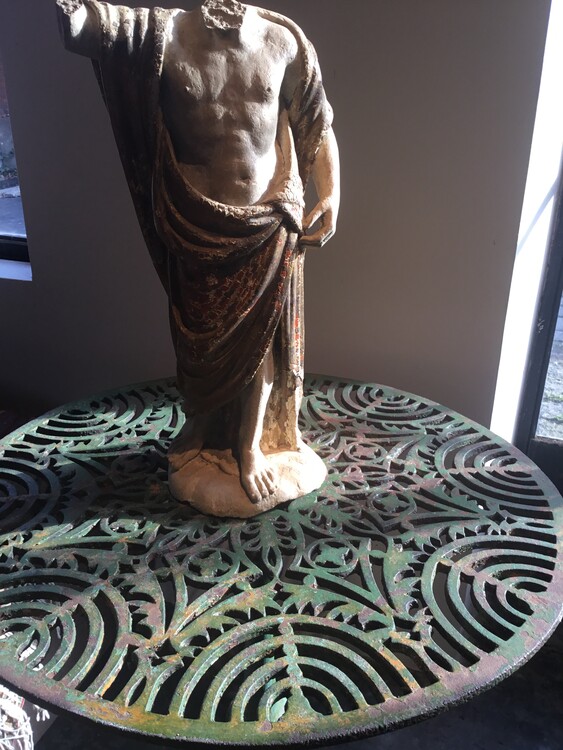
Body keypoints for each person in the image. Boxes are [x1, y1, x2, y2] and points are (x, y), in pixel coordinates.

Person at [56, 0, 340, 513]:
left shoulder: (283, 40)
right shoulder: (161, 36)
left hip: (270, 222)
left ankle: (250, 447)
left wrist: (332, 191)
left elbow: (315, 126)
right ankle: (205, 429)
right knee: (199, 347)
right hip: (196, 225)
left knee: (261, 344)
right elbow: (85, 30)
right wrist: (70, 13)